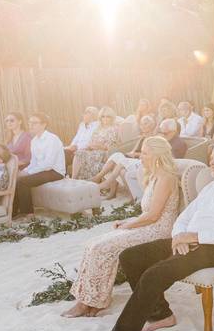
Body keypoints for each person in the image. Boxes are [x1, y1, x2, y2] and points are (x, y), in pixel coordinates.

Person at [74, 143, 214, 331]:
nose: (212, 161)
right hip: (187, 239)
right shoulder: (211, 187)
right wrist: (180, 235)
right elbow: (185, 215)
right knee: (131, 256)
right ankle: (162, 315)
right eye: (211, 157)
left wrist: (193, 236)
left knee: (153, 275)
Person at [63, 136, 182, 317]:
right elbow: (147, 213)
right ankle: (90, 300)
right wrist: (127, 223)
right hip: (148, 225)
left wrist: (129, 225)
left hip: (159, 230)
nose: (141, 156)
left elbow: (154, 215)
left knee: (103, 248)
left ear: (157, 155)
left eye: (145, 153)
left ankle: (91, 302)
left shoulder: (166, 178)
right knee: (93, 244)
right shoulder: (154, 176)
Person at [14, 113, 66, 217]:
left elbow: (48, 164)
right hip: (43, 170)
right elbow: (34, 162)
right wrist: (24, 171)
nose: (31, 125)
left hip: (55, 172)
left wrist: (28, 173)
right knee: (16, 178)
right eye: (30, 123)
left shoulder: (52, 139)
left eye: (34, 123)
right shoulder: (34, 141)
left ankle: (28, 213)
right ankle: (14, 211)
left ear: (44, 125)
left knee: (23, 182)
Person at [93, 115, 157, 198]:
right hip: (133, 159)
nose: (143, 126)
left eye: (146, 124)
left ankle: (104, 182)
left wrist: (135, 154)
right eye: (142, 124)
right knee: (116, 156)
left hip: (141, 162)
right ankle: (102, 180)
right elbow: (133, 151)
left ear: (151, 125)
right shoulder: (142, 138)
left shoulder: (153, 138)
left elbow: (152, 154)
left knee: (120, 162)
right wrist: (129, 154)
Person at [72, 107, 121, 180]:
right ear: (100, 118)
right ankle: (74, 179)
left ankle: (92, 181)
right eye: (103, 116)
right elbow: (91, 141)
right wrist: (89, 146)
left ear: (112, 117)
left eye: (108, 116)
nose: (105, 118)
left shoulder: (114, 129)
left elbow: (110, 146)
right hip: (93, 150)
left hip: (104, 153)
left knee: (87, 155)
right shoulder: (98, 128)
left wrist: (98, 146)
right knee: (79, 153)